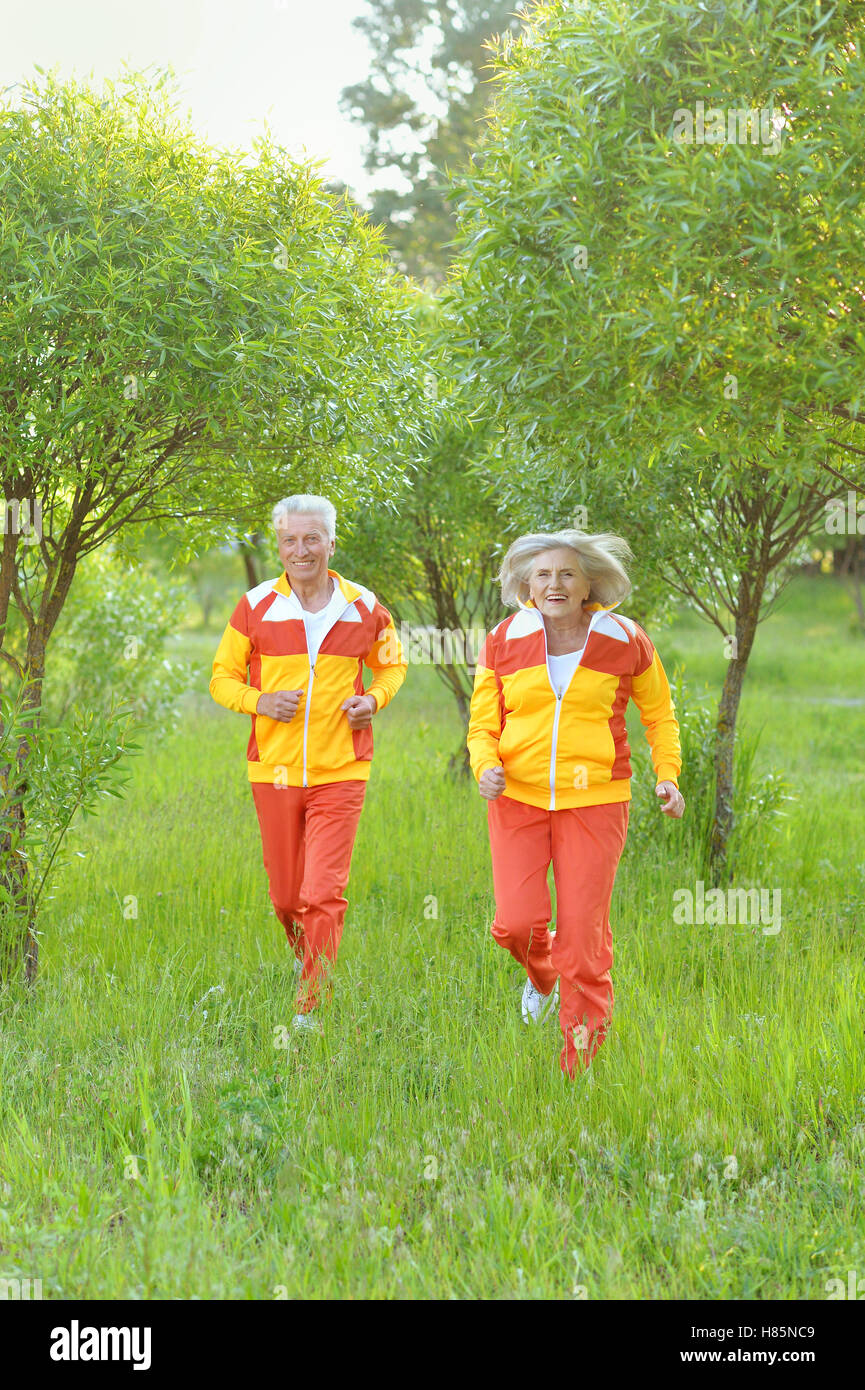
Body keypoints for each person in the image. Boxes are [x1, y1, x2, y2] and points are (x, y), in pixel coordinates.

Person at [467, 530, 684, 1078]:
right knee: (516, 925)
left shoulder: (625, 639)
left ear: (591, 582)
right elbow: (482, 723)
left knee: (585, 942)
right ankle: (541, 973)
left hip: (597, 802)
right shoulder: (503, 638)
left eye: (567, 573)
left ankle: (577, 1070)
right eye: (542, 574)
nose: (554, 584)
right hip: (518, 797)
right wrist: (485, 765)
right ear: (526, 585)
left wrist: (667, 776)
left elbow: (659, 715)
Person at [210, 494, 406, 1030]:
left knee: (323, 891)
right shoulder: (255, 606)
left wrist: (373, 700)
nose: (301, 550)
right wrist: (260, 702)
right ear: (279, 544)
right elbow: (221, 679)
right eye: (291, 540)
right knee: (284, 895)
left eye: (312, 538)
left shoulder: (364, 606)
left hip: (342, 767)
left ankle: (310, 1005)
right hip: (271, 769)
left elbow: (392, 666)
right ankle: (306, 954)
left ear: (331, 543)